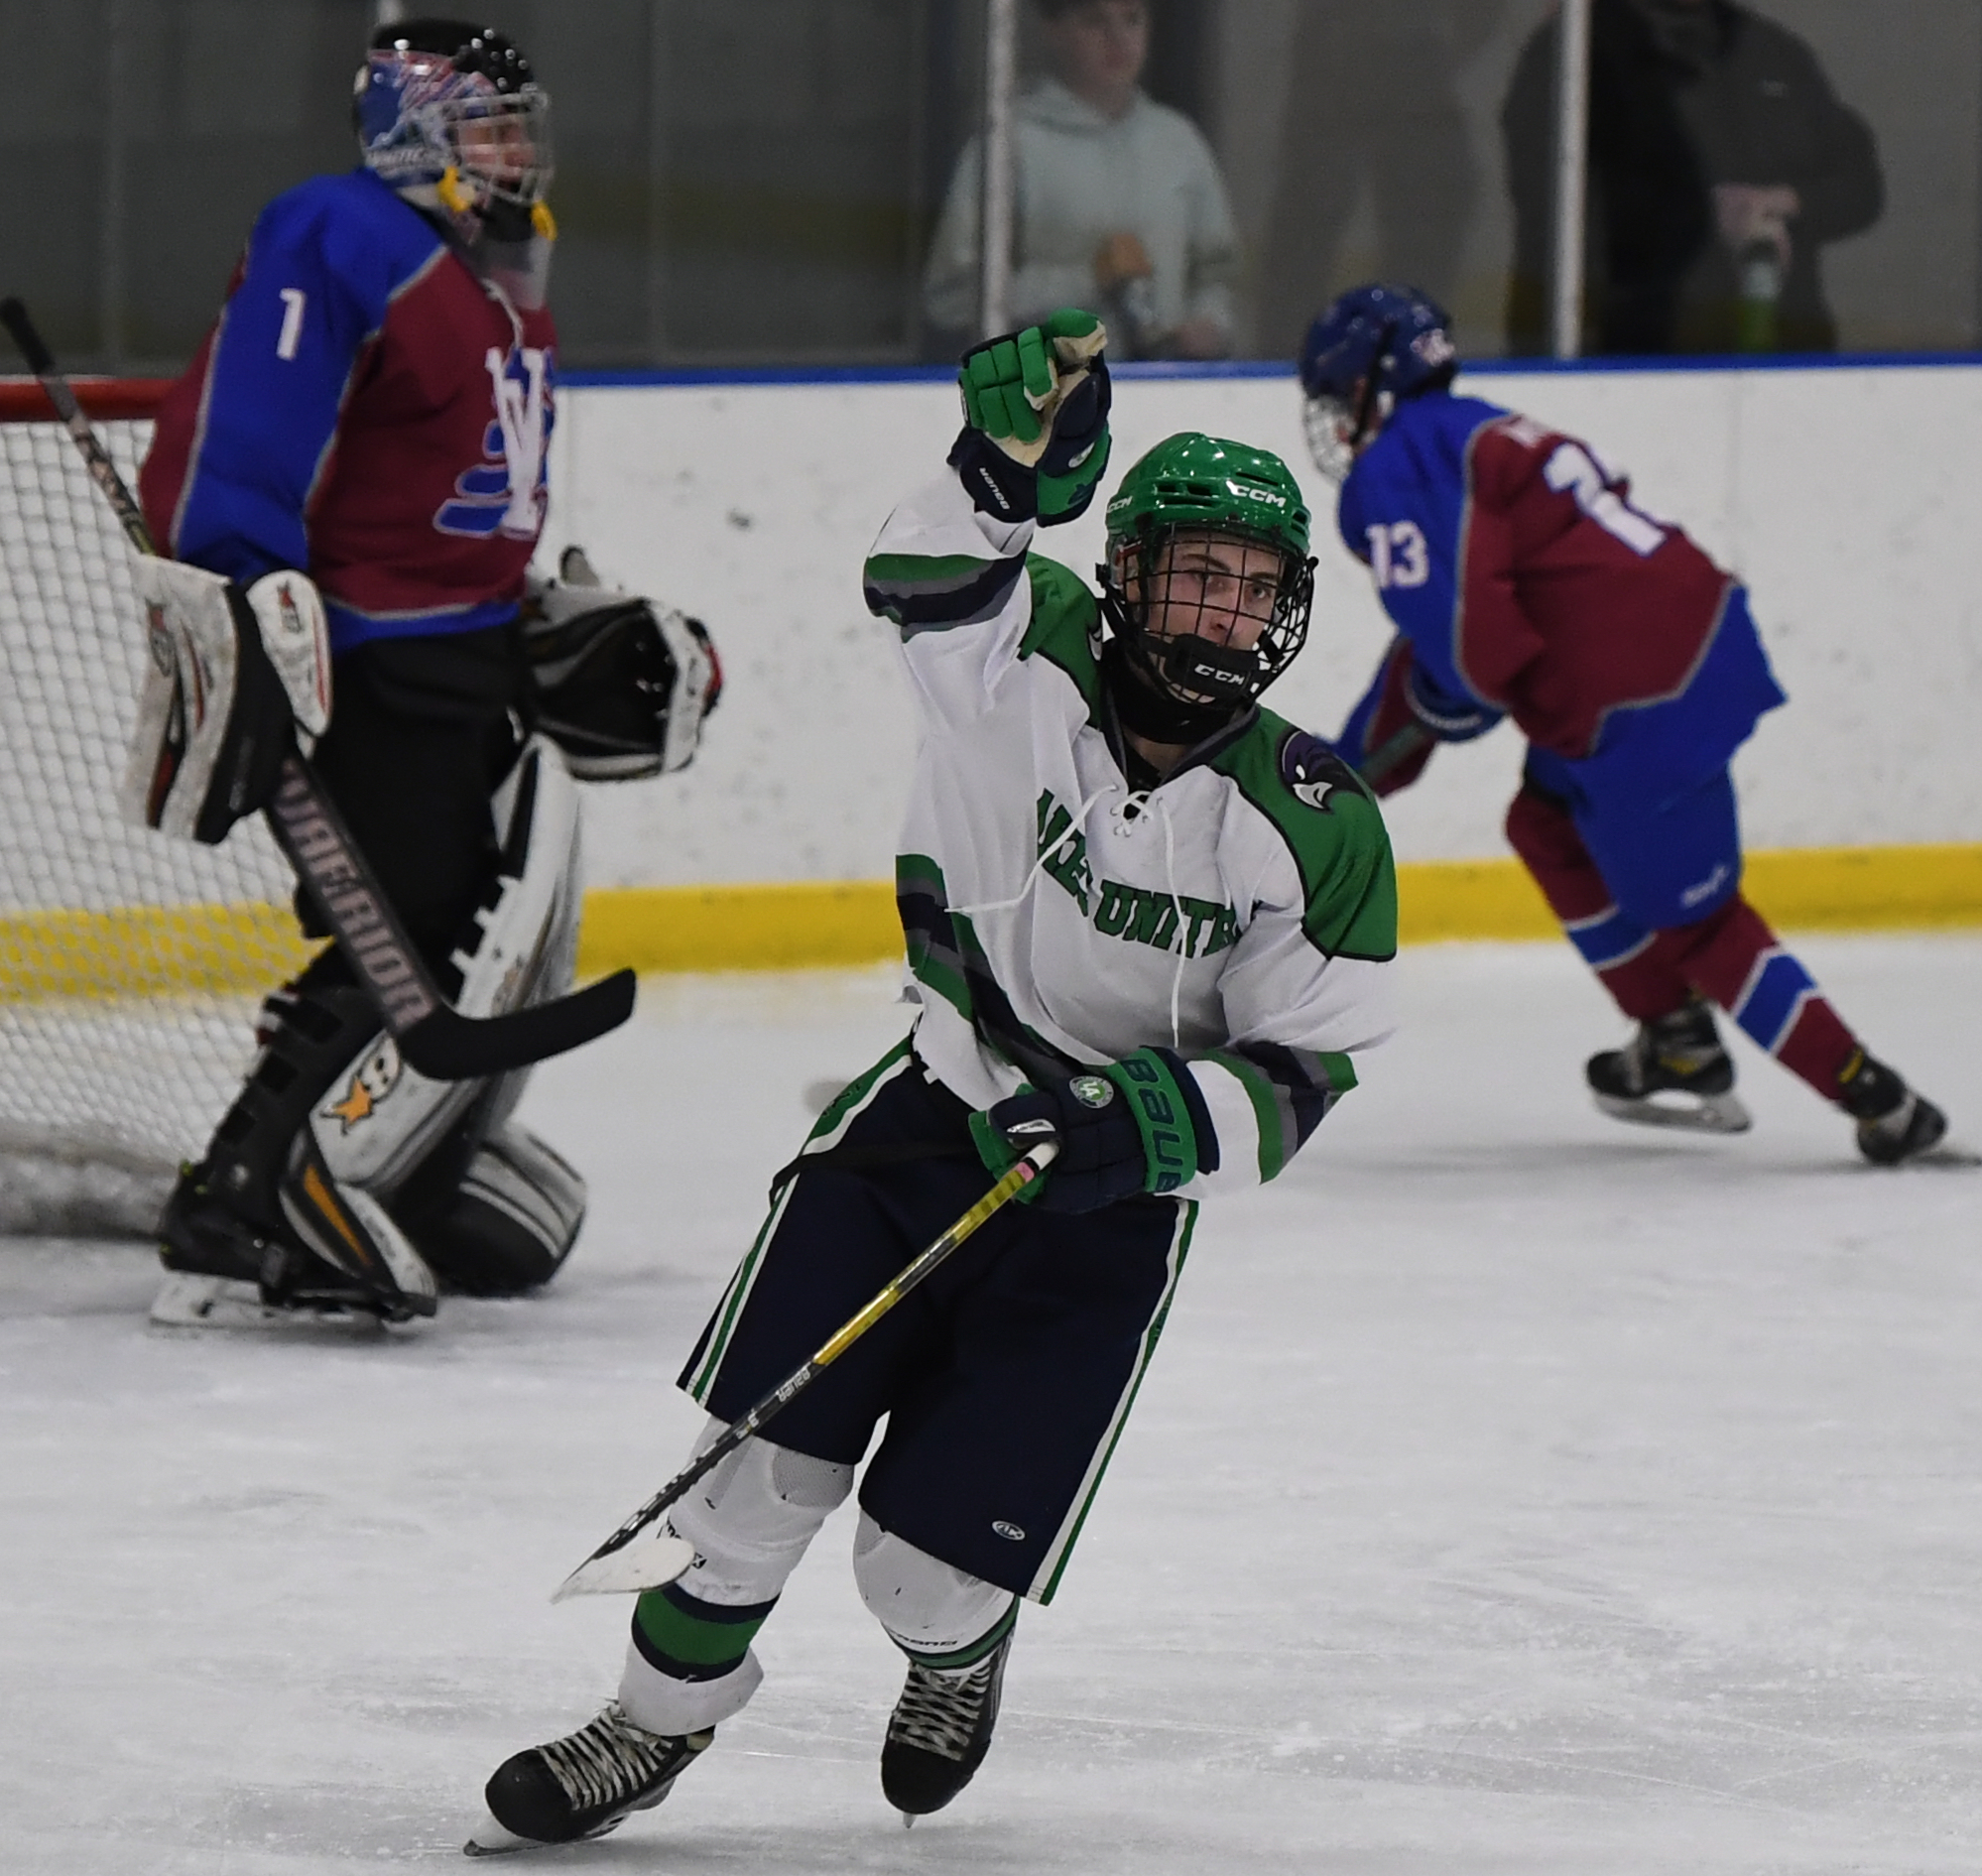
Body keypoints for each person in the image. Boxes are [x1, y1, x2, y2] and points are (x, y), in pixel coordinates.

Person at [466, 309, 1397, 1850]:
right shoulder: (1014, 653)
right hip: (921, 1126)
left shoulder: (1314, 817)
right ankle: (648, 1726)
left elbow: (1308, 1065)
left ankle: (958, 1656)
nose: (1225, 615)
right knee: (752, 1488)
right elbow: (917, 572)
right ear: (1127, 571)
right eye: (1194, 575)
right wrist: (998, 467)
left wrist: (1138, 1120)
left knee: (921, 1570)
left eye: (1253, 590)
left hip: (1103, 1211)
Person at [133, 20, 718, 1329]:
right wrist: (244, 589)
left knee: (461, 915)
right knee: (409, 923)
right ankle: (252, 1187)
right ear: (409, 126)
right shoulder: (340, 234)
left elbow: (461, 481)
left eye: (520, 125)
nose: (514, 150)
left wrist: (541, 612)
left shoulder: (493, 269)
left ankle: (400, 1150)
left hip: (463, 650)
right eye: (486, 126)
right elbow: (248, 430)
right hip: (367, 654)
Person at [1299, 283, 1946, 1165]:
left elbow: (1467, 653)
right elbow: (1445, 647)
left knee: (1701, 923)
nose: (1340, 423)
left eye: (1341, 398)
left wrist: (1360, 766)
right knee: (1545, 819)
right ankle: (1675, 1039)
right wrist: (1358, 757)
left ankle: (1876, 1094)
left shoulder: (1398, 462)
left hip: (1638, 696)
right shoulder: (1476, 427)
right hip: (1688, 645)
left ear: (1374, 383)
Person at [1503, 0, 1881, 354]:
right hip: (1634, 363)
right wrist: (1710, 221)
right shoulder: (1571, 56)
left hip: (1786, 361)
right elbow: (1554, 215)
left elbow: (1860, 185)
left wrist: (1786, 201)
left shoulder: (1773, 51)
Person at [923, 0, 1239, 361]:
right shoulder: (1006, 145)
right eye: (1095, 22)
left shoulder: (1178, 143)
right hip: (1050, 400)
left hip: (1164, 392)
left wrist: (1210, 323)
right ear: (1054, 31)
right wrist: (1086, 280)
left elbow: (1218, 273)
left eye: (1132, 19)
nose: (1119, 39)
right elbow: (952, 298)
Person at [1256, 2, 1505, 360]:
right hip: (1340, 48)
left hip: (1407, 52)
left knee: (1437, 202)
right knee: (1313, 210)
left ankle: (1412, 346)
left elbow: (1481, 17)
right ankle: (1286, 354)